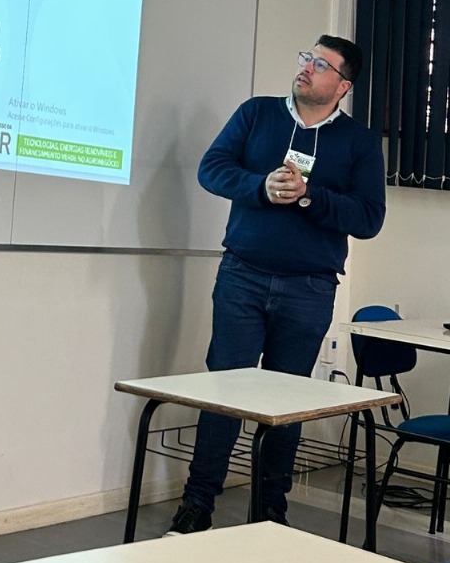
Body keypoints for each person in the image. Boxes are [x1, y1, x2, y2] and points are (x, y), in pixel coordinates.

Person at [165, 35, 386, 535]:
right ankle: (197, 506)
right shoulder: (257, 113)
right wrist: (260, 186)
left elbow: (369, 217)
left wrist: (310, 197)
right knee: (223, 392)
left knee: (286, 402)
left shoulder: (359, 142)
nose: (306, 67)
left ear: (343, 86)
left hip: (309, 288)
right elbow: (211, 169)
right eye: (306, 58)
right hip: (242, 276)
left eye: (321, 64)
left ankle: (270, 512)